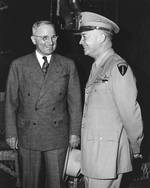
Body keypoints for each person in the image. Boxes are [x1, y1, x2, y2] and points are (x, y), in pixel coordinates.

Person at [5, 20, 82, 188]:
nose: (50, 42)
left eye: (53, 37)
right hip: (28, 134)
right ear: (33, 40)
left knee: (57, 183)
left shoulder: (67, 65)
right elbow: (11, 103)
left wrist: (75, 132)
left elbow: (75, 102)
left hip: (57, 134)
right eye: (44, 38)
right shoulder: (18, 65)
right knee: (29, 183)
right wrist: (11, 132)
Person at [77, 12, 144, 188]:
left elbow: (130, 112)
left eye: (84, 36)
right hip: (96, 155)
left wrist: (135, 146)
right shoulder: (97, 66)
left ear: (100, 37)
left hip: (106, 157)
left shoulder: (118, 68)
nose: (80, 42)